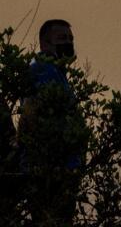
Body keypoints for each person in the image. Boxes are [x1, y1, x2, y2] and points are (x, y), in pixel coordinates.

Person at [19, 19, 87, 225]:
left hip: (58, 167)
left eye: (70, 39)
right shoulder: (44, 70)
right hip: (51, 168)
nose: (68, 43)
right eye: (61, 38)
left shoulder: (55, 71)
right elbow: (40, 117)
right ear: (44, 43)